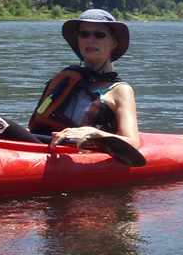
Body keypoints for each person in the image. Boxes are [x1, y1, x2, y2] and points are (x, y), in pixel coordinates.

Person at [28, 9, 140, 150]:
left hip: (78, 153)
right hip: (40, 142)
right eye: (84, 34)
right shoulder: (66, 77)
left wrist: (93, 133)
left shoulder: (120, 90)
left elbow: (132, 142)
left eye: (99, 35)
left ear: (114, 43)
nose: (90, 40)